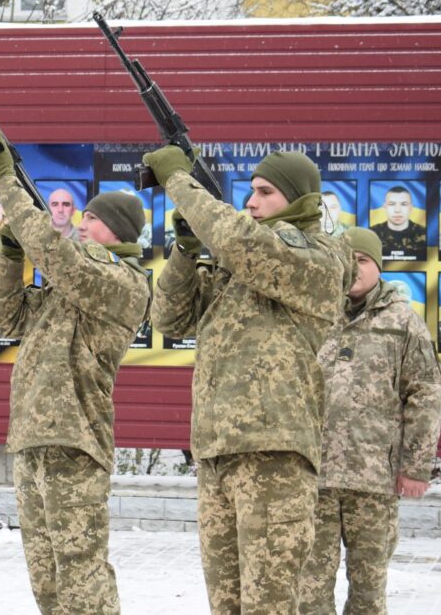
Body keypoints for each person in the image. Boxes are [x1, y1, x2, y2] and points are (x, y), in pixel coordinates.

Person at [146, 146, 351, 614]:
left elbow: (245, 243)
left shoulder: (319, 256)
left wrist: (180, 182)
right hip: (218, 451)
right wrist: (185, 249)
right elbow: (171, 318)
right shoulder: (241, 259)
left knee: (270, 606)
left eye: (265, 192)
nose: (252, 203)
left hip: (273, 452)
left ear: (299, 199)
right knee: (228, 606)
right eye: (250, 192)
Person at [0, 131, 151, 614]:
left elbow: (61, 260)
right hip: (33, 437)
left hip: (76, 439)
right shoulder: (68, 286)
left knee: (80, 570)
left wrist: (8, 187)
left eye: (91, 218)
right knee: (47, 576)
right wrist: (11, 256)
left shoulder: (122, 282)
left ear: (117, 231)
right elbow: (5, 318)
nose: (79, 223)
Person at [298, 228, 441, 614]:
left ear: (378, 265)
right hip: (315, 478)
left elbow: (425, 395)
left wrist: (415, 467)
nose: (354, 268)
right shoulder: (311, 314)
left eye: (362, 260)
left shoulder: (404, 323)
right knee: (308, 591)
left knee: (368, 591)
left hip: (374, 479)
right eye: (346, 260)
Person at [370, 185, 426, 253]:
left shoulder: (425, 234)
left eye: (404, 204)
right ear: (384, 206)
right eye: (392, 204)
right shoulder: (371, 234)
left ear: (411, 207)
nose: (397, 210)